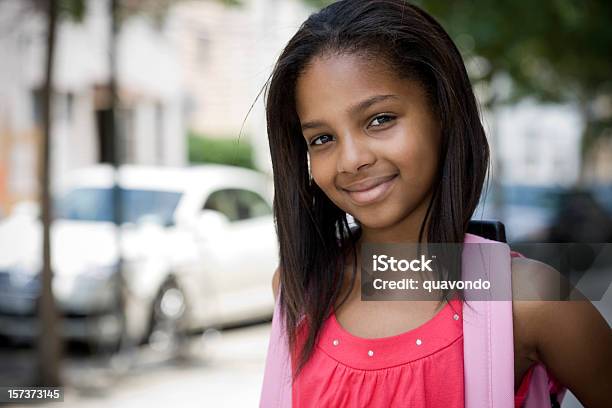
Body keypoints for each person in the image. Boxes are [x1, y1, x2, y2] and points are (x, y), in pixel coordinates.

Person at [261, 1, 612, 407]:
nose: (352, 159)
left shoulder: (528, 297)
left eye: (380, 119)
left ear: (443, 113)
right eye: (322, 139)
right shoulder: (298, 290)